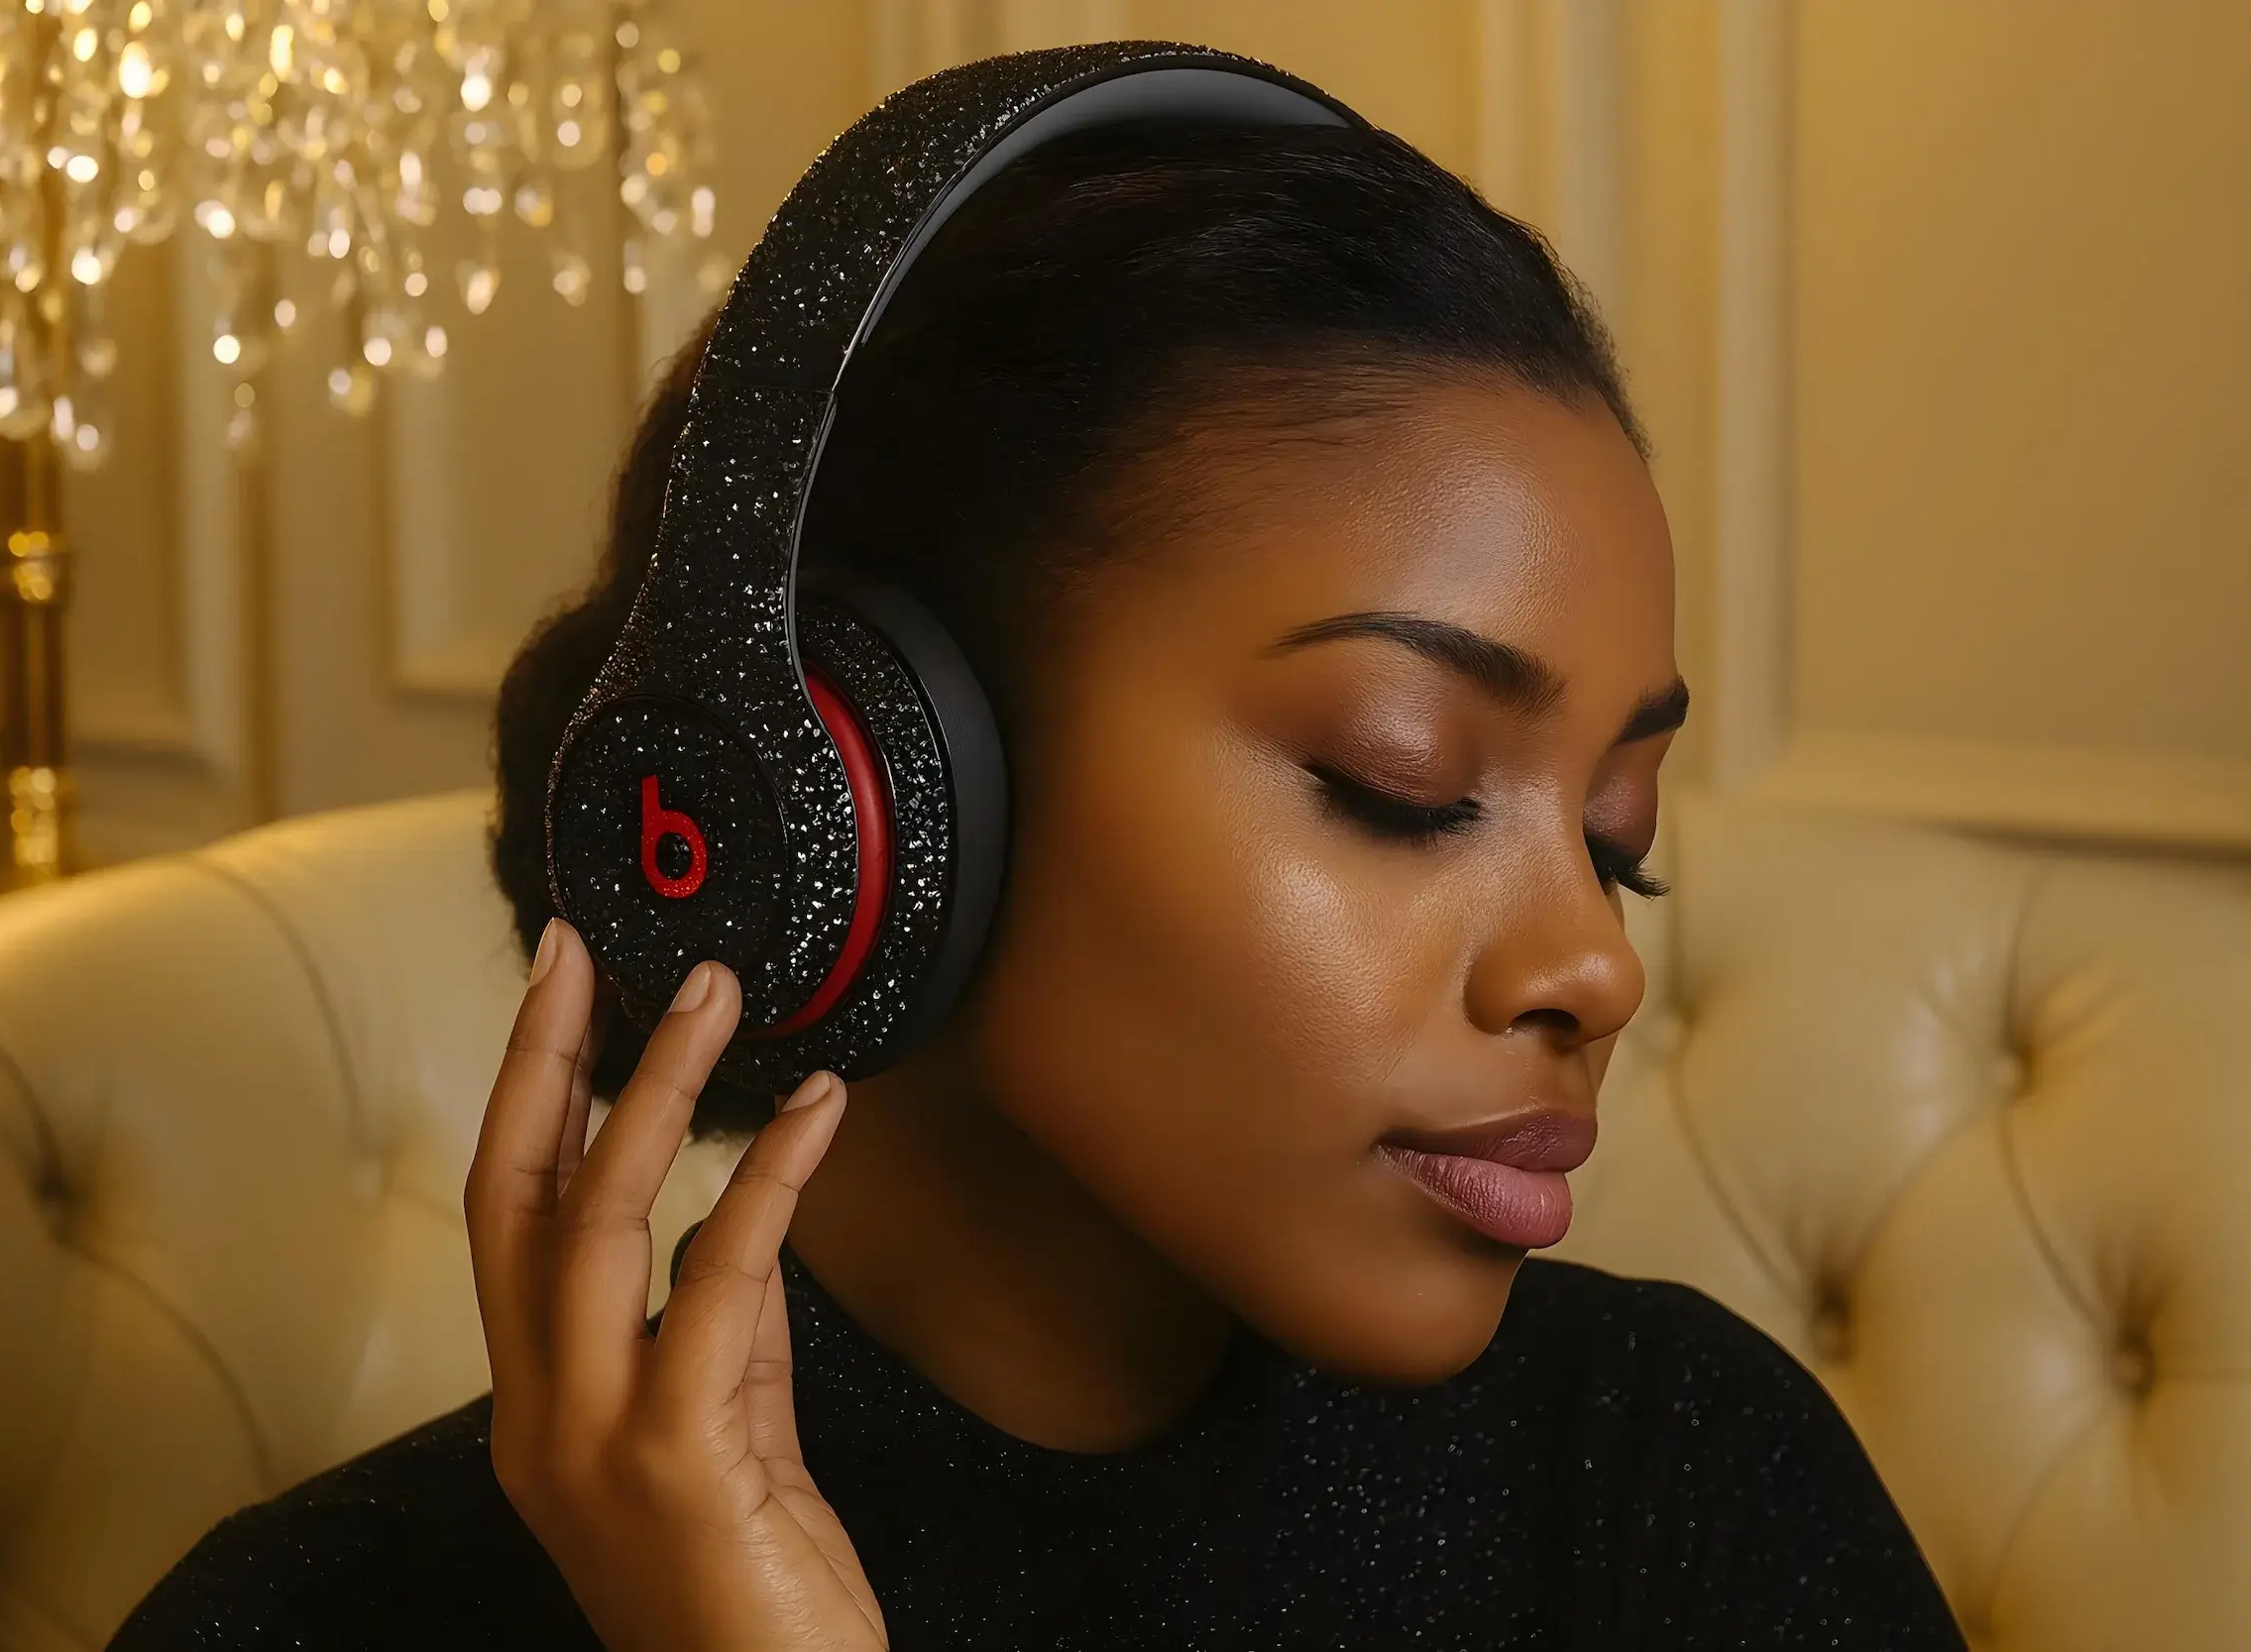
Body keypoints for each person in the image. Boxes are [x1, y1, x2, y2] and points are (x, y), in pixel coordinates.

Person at [111, 108, 1967, 1651]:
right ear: (861, 796)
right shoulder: (311, 1621)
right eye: (1403, 782)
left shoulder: (1677, 1483)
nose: (1596, 964)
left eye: (1617, 837)